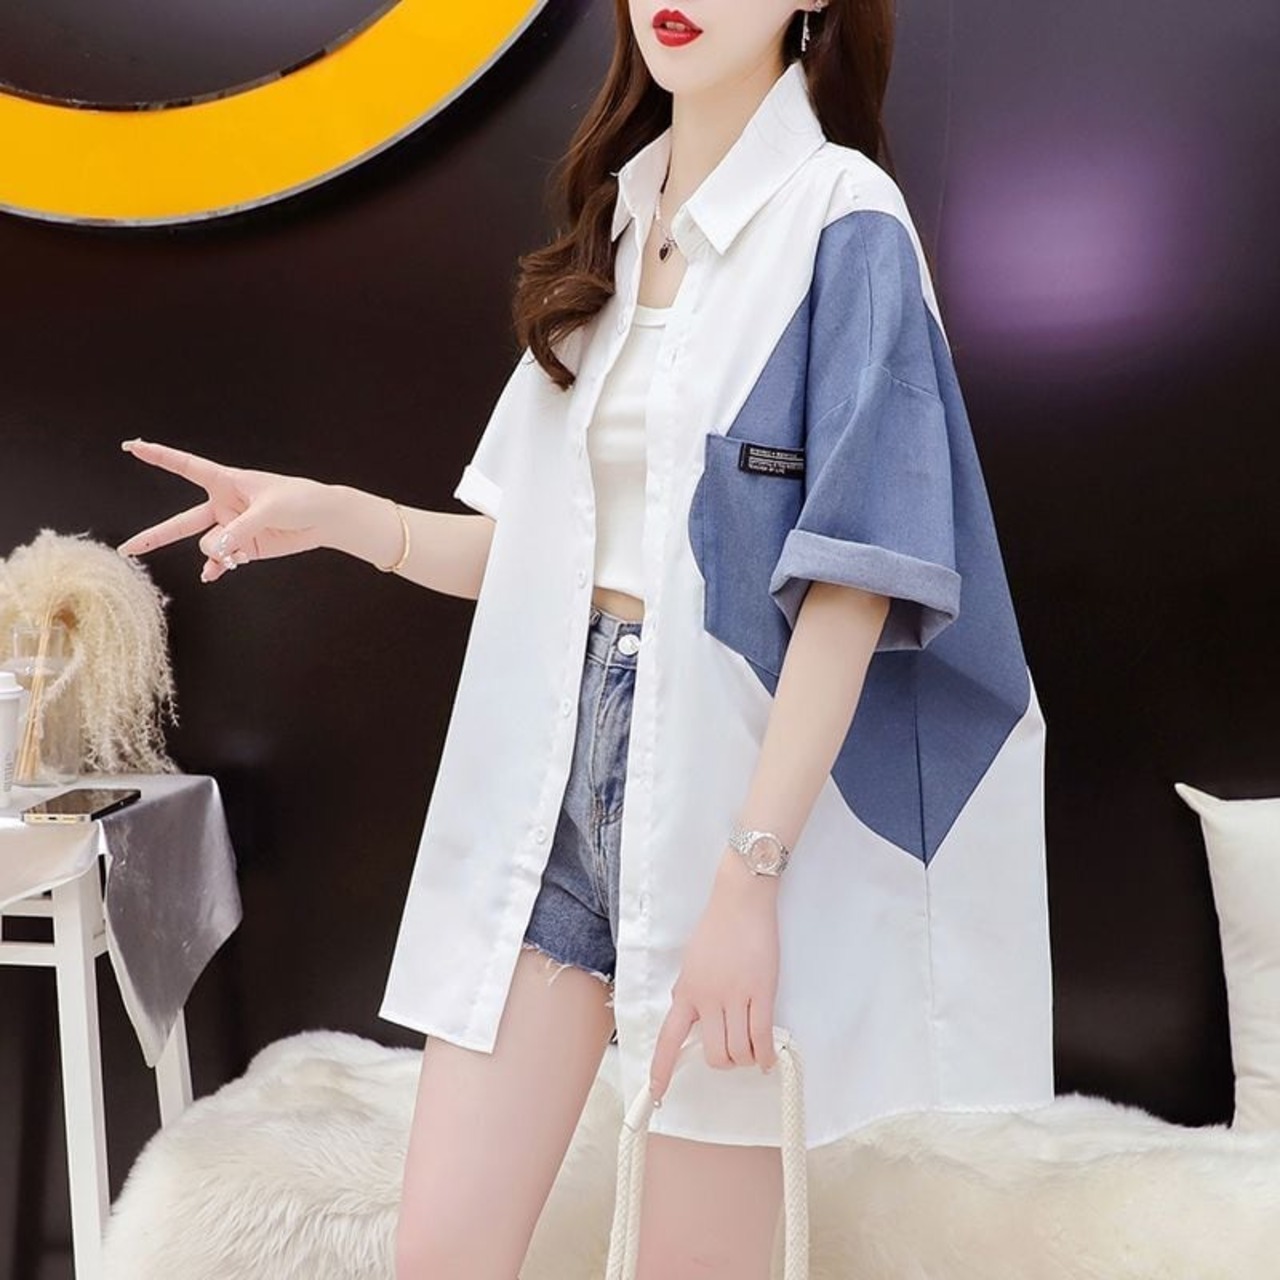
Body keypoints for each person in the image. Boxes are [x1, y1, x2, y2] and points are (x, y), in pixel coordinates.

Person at [118, 1, 1055, 1276]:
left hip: (734, 798)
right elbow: (534, 554)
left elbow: (854, 586)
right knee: (440, 1255)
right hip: (549, 780)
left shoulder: (842, 219)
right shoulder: (616, 221)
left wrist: (749, 880)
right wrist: (331, 515)